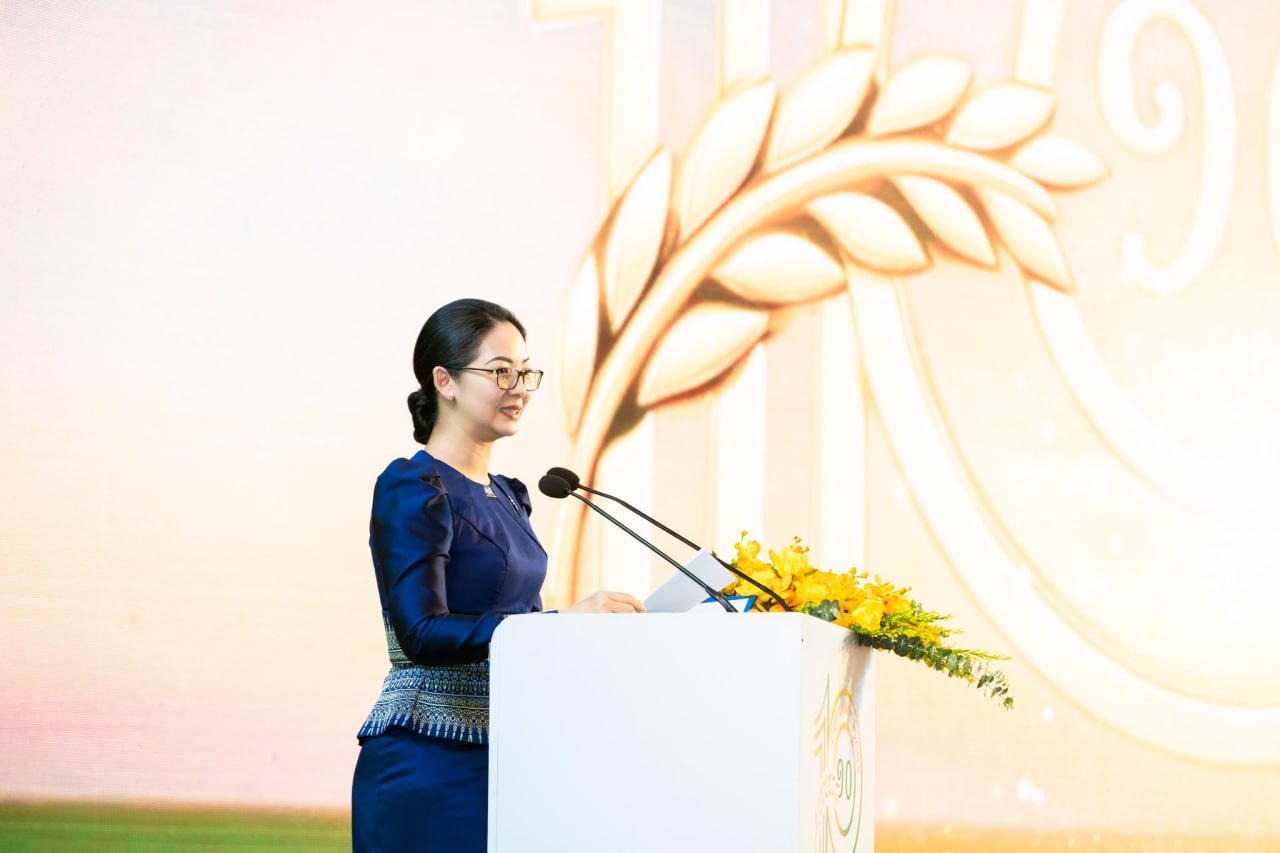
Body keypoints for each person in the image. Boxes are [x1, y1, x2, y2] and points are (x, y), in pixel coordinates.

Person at [351, 298, 644, 853]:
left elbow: (523, 629)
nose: (520, 389)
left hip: (512, 754)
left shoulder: (510, 496)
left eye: (526, 373)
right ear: (445, 381)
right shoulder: (413, 486)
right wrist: (561, 623)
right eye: (501, 372)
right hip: (429, 757)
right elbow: (420, 632)